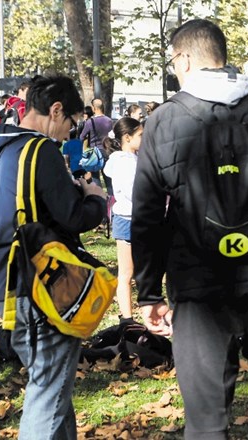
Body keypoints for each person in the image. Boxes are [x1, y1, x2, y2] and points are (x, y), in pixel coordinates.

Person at [131, 19, 248, 439]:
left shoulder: (164, 120)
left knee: (206, 417)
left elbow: (146, 215)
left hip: (196, 286)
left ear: (184, 60)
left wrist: (147, 290)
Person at [0, 74, 107, 439]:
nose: (69, 133)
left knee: (53, 388)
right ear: (56, 111)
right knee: (47, 393)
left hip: (8, 280)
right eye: (71, 124)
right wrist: (95, 199)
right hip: (44, 285)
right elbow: (72, 216)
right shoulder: (40, 151)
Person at [102, 117, 143, 322]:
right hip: (129, 219)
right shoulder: (125, 163)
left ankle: (136, 316)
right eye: (140, 135)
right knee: (127, 273)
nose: (144, 139)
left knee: (134, 272)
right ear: (127, 137)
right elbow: (132, 193)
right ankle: (127, 319)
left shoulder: (126, 160)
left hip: (129, 218)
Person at [80, 97, 114, 190]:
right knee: (108, 177)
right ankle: (111, 198)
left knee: (95, 177)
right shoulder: (109, 120)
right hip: (106, 151)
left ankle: (99, 198)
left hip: (94, 153)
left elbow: (81, 137)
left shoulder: (90, 122)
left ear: (94, 108)